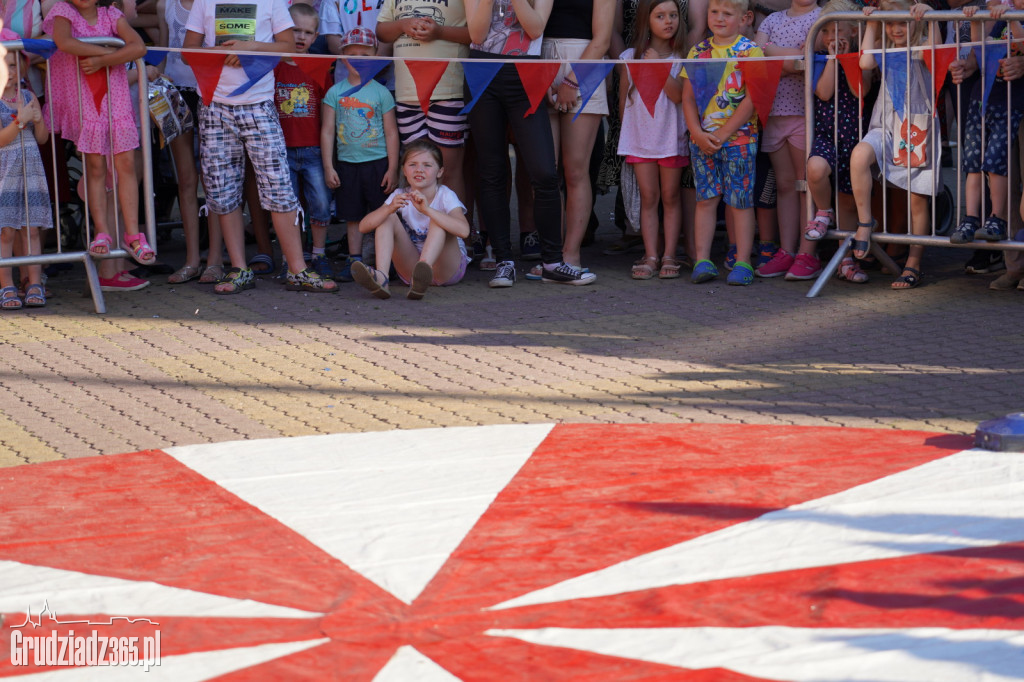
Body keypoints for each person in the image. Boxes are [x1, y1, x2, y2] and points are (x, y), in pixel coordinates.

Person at [182, 0, 338, 294]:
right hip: (214, 106)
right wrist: (222, 53)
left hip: (259, 105)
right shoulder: (204, 1)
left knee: (279, 187)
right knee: (222, 190)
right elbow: (188, 53)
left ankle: (298, 270)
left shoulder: (273, 1)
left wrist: (251, 49)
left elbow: (288, 46)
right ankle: (239, 269)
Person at [464, 0, 596, 287]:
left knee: (545, 172)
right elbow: (476, 34)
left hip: (526, 76)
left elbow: (535, 29)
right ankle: (503, 261)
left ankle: (552, 262)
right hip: (482, 74)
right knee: (491, 171)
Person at [44, 0, 154, 267]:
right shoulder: (63, 12)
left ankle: (133, 235)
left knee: (126, 164)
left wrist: (104, 59)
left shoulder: (111, 14)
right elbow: (65, 42)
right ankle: (101, 231)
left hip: (114, 98)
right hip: (84, 101)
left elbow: (138, 47)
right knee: (94, 167)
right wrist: (108, 49)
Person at [850, 0, 940, 290]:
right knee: (860, 154)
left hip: (917, 124)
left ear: (914, 21)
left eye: (902, 22)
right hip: (885, 123)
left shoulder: (924, 40)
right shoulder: (882, 43)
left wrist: (931, 17)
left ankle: (913, 262)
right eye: (891, 23)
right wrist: (873, 23)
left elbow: (936, 56)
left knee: (916, 198)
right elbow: (865, 63)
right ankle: (866, 222)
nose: (896, 29)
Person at [680, 0, 763, 285]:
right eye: (714, 11)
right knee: (706, 198)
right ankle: (702, 260)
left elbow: (752, 100)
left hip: (739, 139)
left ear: (744, 18)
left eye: (727, 13)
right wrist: (697, 133)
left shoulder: (751, 51)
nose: (719, 18)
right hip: (702, 140)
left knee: (740, 201)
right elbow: (688, 98)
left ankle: (743, 262)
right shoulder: (698, 51)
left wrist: (725, 133)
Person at [540, 0, 614, 275]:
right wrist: (541, 73)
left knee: (575, 171)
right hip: (542, 59)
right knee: (547, 172)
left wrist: (572, 81)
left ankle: (570, 255)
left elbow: (603, 39)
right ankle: (551, 255)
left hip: (586, 62)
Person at [321, 26, 399, 282]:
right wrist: (328, 167)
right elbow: (328, 131)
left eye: (364, 54)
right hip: (347, 165)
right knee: (353, 217)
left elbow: (391, 132)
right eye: (352, 54)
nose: (358, 59)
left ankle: (383, 261)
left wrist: (393, 167)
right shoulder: (335, 92)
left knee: (382, 215)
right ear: (343, 57)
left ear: (375, 55)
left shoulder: (381, 92)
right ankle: (354, 261)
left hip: (378, 165)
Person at [618, 0, 688, 280]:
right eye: (660, 16)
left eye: (673, 15)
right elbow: (624, 101)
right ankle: (650, 255)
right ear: (646, 20)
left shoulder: (682, 57)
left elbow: (678, 95)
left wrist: (658, 66)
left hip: (671, 138)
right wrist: (630, 136)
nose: (668, 21)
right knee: (649, 197)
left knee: (671, 196)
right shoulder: (628, 57)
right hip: (640, 140)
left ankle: (670, 253)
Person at [752, 0, 821, 279]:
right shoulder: (771, 20)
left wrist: (774, 54)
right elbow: (756, 55)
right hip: (773, 113)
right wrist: (792, 56)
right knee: (784, 185)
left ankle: (808, 252)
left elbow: (806, 62)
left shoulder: (822, 17)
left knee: (805, 183)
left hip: (803, 113)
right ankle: (787, 250)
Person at [803, 0, 870, 283]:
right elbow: (825, 93)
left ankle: (846, 261)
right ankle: (822, 211)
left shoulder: (864, 57)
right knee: (815, 169)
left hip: (853, 137)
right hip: (826, 134)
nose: (831, 37)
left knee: (848, 202)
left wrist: (850, 59)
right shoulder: (818, 55)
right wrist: (832, 59)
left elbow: (860, 91)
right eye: (826, 31)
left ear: (853, 31)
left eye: (837, 30)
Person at [352, 139, 470, 299]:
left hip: (447, 269)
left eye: (427, 165)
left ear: (440, 172)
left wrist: (428, 210)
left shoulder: (445, 194)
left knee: (438, 219)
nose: (419, 170)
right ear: (404, 171)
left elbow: (464, 231)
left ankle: (424, 271)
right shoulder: (400, 195)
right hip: (411, 270)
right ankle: (382, 277)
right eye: (412, 164)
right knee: (387, 218)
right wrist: (388, 208)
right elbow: (363, 227)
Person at [948, 3, 1023, 245]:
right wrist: (978, 19)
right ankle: (970, 217)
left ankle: (996, 218)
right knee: (972, 160)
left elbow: (1021, 44)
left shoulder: (1015, 18)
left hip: (1009, 102)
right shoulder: (998, 15)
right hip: (981, 100)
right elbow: (979, 53)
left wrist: (1012, 19)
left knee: (995, 160)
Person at [274, 2, 335, 280]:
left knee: (320, 203)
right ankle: (291, 258)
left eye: (307, 33)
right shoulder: (272, 66)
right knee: (289, 206)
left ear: (316, 36)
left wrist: (328, 158)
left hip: (313, 150)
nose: (300, 37)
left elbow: (327, 119)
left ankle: (318, 254)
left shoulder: (321, 67)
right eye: (294, 30)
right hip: (281, 149)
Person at [0, 48, 50, 310]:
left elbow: (42, 138)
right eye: (4, 66)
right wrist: (20, 121)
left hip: (30, 171)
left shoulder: (29, 97)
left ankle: (33, 282)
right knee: (6, 230)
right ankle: (6, 284)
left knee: (31, 228)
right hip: (5, 172)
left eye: (14, 67)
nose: (9, 73)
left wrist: (39, 120)